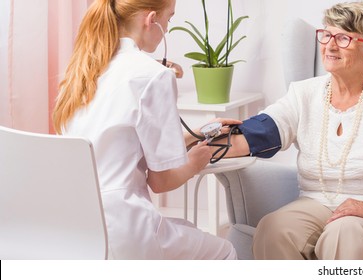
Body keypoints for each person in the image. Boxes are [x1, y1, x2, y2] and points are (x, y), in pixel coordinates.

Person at [190, 2, 363, 260]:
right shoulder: (303, 94)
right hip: (316, 203)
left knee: (345, 231)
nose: (330, 45)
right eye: (326, 34)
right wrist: (186, 147)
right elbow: (259, 134)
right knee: (274, 228)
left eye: (344, 38)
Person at [53, 0, 236, 259]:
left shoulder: (81, 74)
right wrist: (196, 161)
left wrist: (191, 136)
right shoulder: (154, 75)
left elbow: (118, 146)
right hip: (123, 228)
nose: (167, 28)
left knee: (188, 231)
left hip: (75, 226)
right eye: (169, 19)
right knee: (224, 251)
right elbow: (160, 182)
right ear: (151, 20)